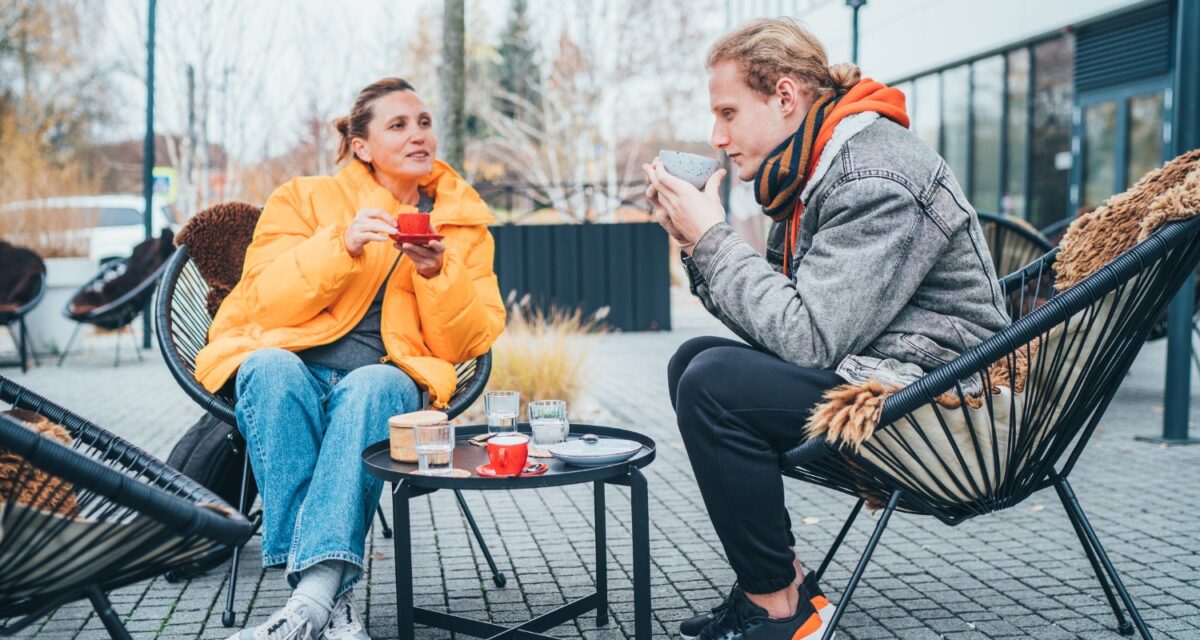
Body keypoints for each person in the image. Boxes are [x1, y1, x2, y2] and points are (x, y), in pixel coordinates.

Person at [644, 18, 1009, 640]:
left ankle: (780, 615)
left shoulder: (874, 175)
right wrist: (695, 246)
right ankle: (781, 584)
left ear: (785, 97)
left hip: (951, 407)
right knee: (695, 362)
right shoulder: (820, 164)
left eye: (729, 112)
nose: (717, 136)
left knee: (712, 383)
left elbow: (807, 338)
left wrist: (711, 238)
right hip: (892, 376)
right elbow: (789, 326)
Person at [195, 77, 506, 640]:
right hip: (293, 363)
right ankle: (329, 603)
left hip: (389, 375)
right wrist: (339, 246)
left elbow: (470, 342)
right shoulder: (304, 198)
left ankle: (306, 606)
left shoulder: (462, 223)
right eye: (398, 125)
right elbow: (263, 297)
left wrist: (439, 273)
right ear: (360, 145)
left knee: (371, 388)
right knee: (268, 370)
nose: (419, 135)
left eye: (424, 122)